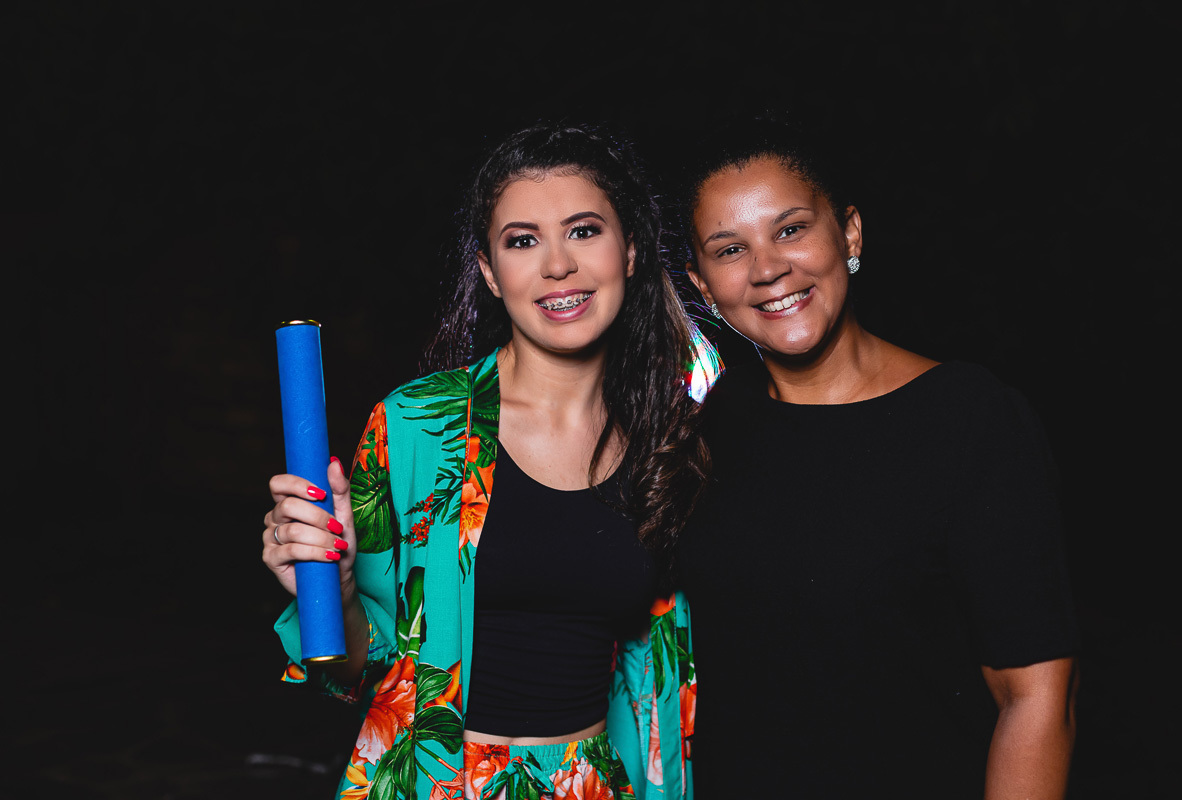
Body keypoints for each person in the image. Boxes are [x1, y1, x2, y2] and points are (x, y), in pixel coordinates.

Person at [261, 123, 717, 800]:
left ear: (629, 252)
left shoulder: (668, 440)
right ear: (489, 273)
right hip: (440, 784)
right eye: (522, 241)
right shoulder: (416, 426)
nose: (557, 265)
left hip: (593, 784)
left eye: (584, 231)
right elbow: (355, 669)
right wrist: (342, 590)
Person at [676, 116, 1080, 798]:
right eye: (730, 249)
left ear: (850, 234)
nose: (768, 269)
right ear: (703, 284)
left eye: (791, 229)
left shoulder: (969, 419)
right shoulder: (710, 426)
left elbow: (1038, 699)